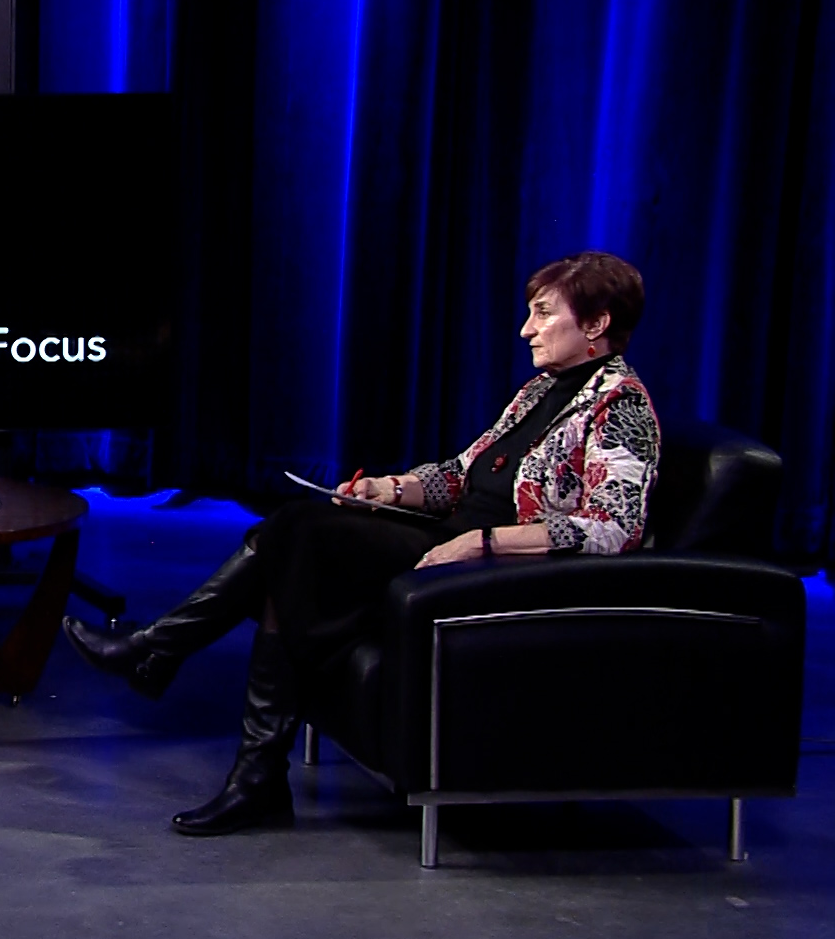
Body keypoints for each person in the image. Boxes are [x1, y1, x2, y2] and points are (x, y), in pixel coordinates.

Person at [63, 250, 660, 835]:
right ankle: (239, 758)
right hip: (446, 536)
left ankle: (165, 661)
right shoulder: (538, 391)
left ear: (596, 324)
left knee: (294, 535)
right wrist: (390, 489)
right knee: (295, 539)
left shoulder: (621, 405)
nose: (526, 329)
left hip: (489, 567)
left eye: (543, 313)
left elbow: (612, 528)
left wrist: (484, 542)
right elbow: (459, 474)